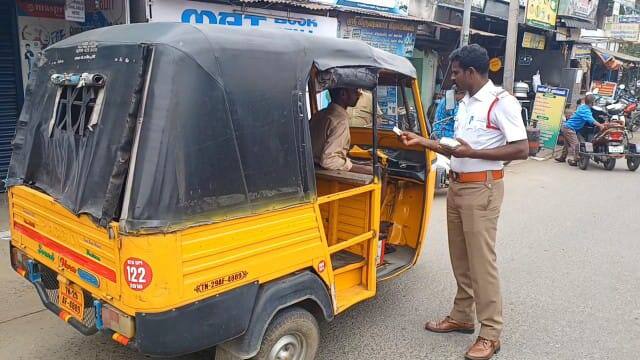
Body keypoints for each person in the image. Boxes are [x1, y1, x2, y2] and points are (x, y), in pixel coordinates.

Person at [400, 44, 528, 360]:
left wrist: (474, 154)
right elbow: (456, 149)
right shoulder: (467, 103)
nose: (452, 78)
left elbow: (522, 148)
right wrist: (422, 141)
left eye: (456, 72)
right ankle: (461, 316)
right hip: (458, 189)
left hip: (481, 190)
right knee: (460, 257)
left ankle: (490, 334)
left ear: (470, 72)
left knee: (482, 263)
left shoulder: (501, 103)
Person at [310, 87, 372, 174]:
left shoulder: (318, 115)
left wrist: (359, 163)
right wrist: (363, 169)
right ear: (343, 94)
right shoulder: (340, 120)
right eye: (355, 91)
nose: (359, 94)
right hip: (324, 175)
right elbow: (329, 161)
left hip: (311, 171)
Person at [555, 94, 604, 166]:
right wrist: (600, 125)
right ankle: (575, 160)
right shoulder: (586, 110)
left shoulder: (582, 106)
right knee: (576, 144)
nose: (596, 103)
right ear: (592, 103)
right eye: (595, 102)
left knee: (567, 143)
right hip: (569, 128)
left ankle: (562, 157)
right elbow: (591, 119)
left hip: (567, 127)